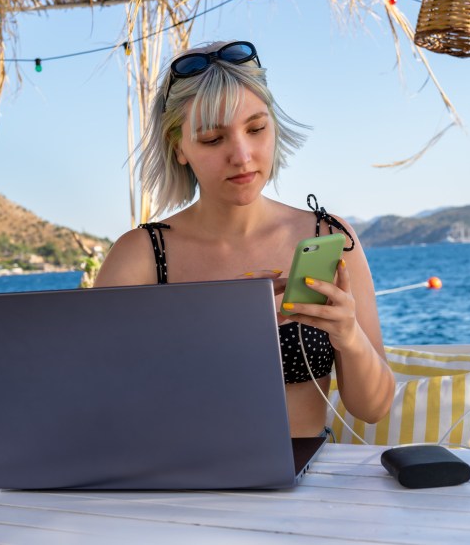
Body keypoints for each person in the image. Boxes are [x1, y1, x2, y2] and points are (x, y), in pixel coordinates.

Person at [95, 40, 394, 437]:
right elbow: (101, 405)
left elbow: (372, 409)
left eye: (256, 129)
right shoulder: (142, 256)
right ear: (178, 147)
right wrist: (212, 329)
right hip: (184, 487)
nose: (242, 154)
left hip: (303, 486)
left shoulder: (327, 235)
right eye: (212, 139)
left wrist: (348, 334)